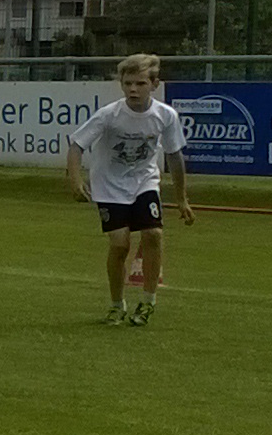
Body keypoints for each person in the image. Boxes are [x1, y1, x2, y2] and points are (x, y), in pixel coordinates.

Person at [67, 51, 192, 325]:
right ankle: (116, 305)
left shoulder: (165, 115)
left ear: (154, 84)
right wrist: (75, 180)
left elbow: (174, 156)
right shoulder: (109, 115)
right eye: (128, 84)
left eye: (140, 83)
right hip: (109, 185)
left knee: (153, 234)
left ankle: (147, 303)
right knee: (120, 244)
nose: (133, 89)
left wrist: (181, 198)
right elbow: (76, 145)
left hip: (144, 181)